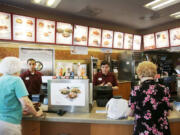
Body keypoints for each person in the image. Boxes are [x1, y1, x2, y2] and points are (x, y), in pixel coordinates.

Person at [0, 57, 43, 135]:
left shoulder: (1, 79)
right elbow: (26, 103)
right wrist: (36, 113)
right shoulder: (16, 80)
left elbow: (7, 100)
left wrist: (20, 110)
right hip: (10, 123)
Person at [128, 61, 171, 135]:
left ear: (140, 74)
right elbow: (168, 113)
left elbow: (130, 113)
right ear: (154, 74)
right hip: (162, 131)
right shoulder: (164, 89)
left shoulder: (136, 90)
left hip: (143, 131)